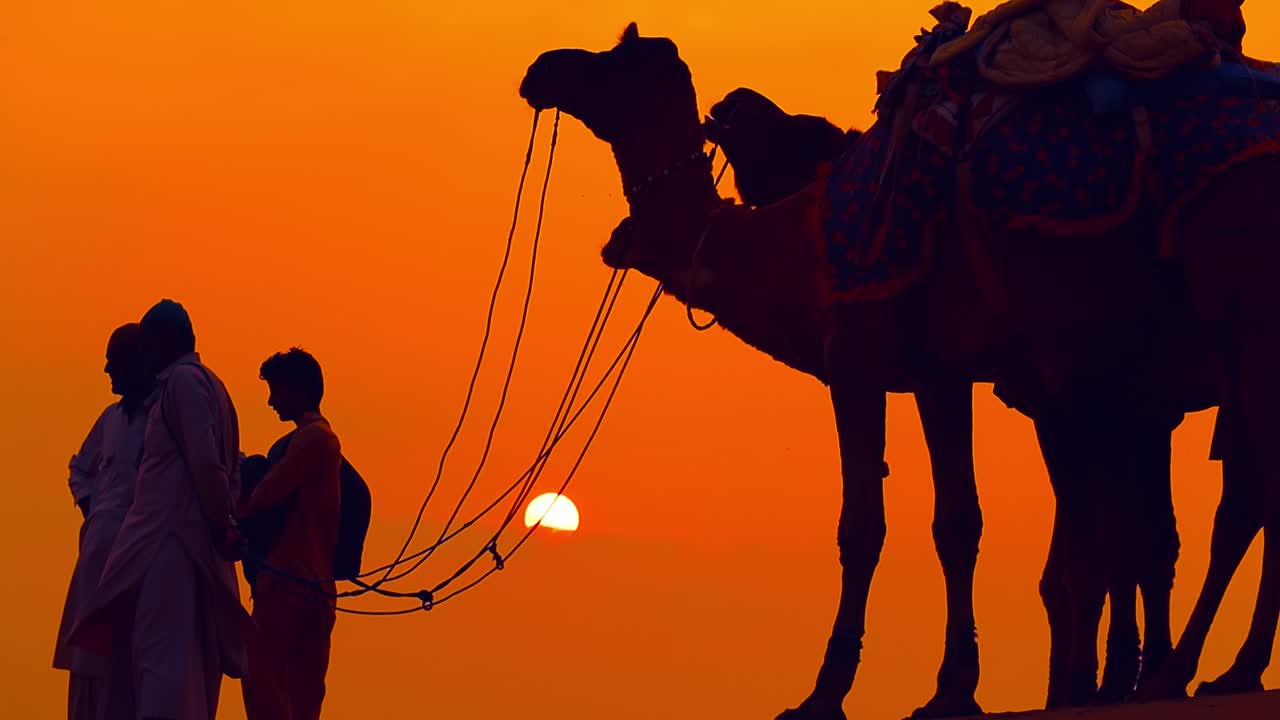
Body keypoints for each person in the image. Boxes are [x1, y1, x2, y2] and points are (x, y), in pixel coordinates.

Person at [69, 299, 252, 720]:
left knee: (160, 667)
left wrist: (220, 521)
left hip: (168, 548)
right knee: (164, 665)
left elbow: (208, 465)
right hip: (176, 546)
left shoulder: (183, 385)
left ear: (162, 344)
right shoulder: (210, 385)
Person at [54, 323, 151, 719]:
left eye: (114, 361)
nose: (107, 371)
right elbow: (80, 468)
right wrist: (92, 507)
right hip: (95, 554)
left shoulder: (164, 415)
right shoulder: (110, 419)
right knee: (86, 665)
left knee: (125, 666)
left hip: (136, 560)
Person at [238, 348, 341, 720]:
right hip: (313, 586)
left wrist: (232, 511)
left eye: (277, 390)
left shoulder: (312, 440)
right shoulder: (314, 440)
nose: (270, 401)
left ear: (298, 390)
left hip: (290, 585)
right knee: (302, 695)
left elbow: (264, 497)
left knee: (267, 684)